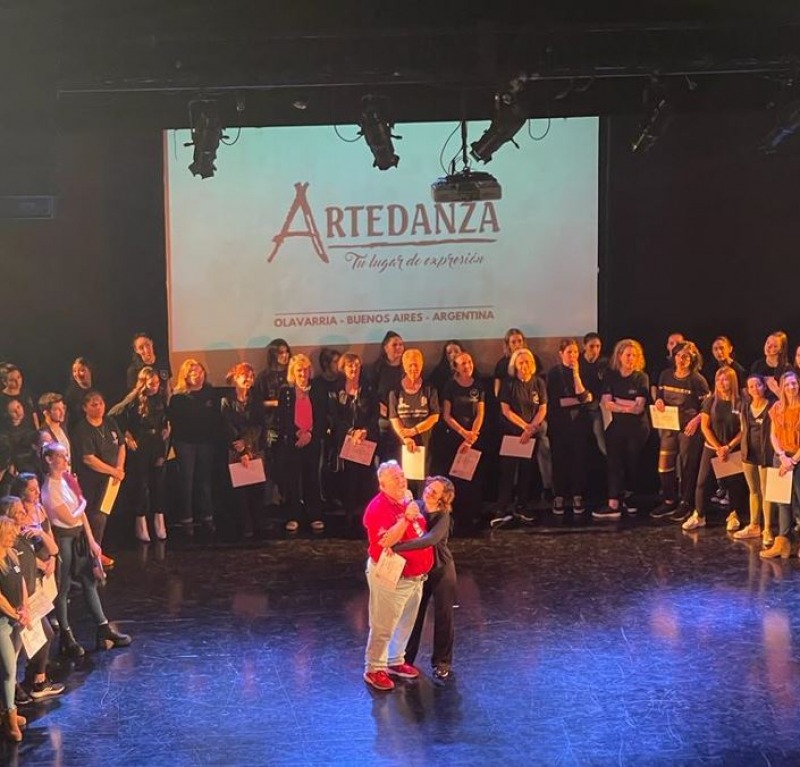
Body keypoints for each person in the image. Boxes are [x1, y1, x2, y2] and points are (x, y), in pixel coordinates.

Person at [40, 443, 131, 657]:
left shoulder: (66, 480)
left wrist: (92, 541)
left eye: (65, 456)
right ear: (49, 460)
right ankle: (66, 635)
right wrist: (82, 505)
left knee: (90, 581)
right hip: (63, 541)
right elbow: (71, 516)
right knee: (62, 590)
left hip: (79, 536)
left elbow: (81, 515)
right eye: (60, 457)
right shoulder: (49, 489)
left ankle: (103, 627)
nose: (65, 460)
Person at [362, 461, 433, 691]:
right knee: (384, 624)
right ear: (382, 485)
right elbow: (385, 542)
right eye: (395, 478)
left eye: (402, 475)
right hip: (392, 577)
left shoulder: (406, 500)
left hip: (415, 577)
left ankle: (395, 661)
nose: (402, 480)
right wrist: (406, 518)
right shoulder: (377, 508)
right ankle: (374, 668)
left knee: (405, 623)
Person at [393, 476, 456, 681]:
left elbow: (429, 540)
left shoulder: (443, 516)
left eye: (434, 491)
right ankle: (405, 660)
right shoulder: (417, 506)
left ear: (442, 499)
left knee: (443, 616)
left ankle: (442, 662)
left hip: (440, 570)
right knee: (413, 615)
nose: (429, 492)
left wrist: (397, 548)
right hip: (421, 570)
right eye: (429, 487)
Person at [6, 481, 64, 700]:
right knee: (16, 648)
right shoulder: (8, 540)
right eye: (19, 513)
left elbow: (52, 551)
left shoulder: (23, 534)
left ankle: (35, 681)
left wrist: (40, 533)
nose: (23, 515)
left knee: (44, 636)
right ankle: (17, 689)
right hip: (17, 602)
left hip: (31, 595)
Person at [682, 367, 748, 531]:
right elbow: (705, 427)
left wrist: (729, 446)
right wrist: (718, 447)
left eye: (725, 379)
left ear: (732, 381)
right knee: (702, 483)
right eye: (719, 379)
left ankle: (733, 515)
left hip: (732, 449)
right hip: (712, 447)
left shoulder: (741, 402)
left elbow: (743, 429)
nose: (722, 383)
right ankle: (700, 515)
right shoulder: (710, 401)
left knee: (734, 485)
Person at [650, 341, 710, 521]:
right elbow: (660, 396)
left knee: (687, 466)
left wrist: (697, 420)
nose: (681, 359)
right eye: (678, 355)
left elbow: (707, 406)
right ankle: (669, 500)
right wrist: (658, 401)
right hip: (669, 427)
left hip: (688, 429)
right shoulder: (665, 375)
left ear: (692, 359)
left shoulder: (697, 380)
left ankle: (685, 502)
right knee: (664, 465)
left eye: (686, 357)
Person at [110, 367, 169, 542]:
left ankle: (159, 520)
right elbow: (113, 414)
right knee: (141, 486)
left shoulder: (161, 397)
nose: (155, 387)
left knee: (158, 484)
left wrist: (165, 427)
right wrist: (126, 435)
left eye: (157, 383)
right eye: (151, 384)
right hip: (140, 446)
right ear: (144, 383)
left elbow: (165, 416)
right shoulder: (134, 399)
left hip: (157, 444)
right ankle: (140, 523)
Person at [595, 339, 650, 520]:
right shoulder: (611, 375)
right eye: (627, 355)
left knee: (631, 463)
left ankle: (629, 499)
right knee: (614, 463)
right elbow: (606, 403)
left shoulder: (641, 377)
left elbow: (639, 407)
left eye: (634, 355)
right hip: (615, 426)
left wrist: (618, 402)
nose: (631, 359)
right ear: (619, 356)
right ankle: (613, 504)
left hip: (637, 429)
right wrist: (626, 406)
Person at [494, 348, 548, 525]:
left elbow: (542, 408)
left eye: (528, 362)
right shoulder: (509, 384)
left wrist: (531, 428)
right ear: (515, 365)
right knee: (508, 473)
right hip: (512, 433)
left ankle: (522, 507)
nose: (525, 365)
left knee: (527, 472)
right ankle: (502, 509)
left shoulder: (538, 382)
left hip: (531, 434)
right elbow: (505, 410)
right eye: (521, 362)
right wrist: (524, 426)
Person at [71, 390, 126, 563]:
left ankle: (97, 550)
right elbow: (88, 458)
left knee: (103, 516)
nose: (99, 407)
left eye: (101, 403)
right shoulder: (82, 429)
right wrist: (113, 470)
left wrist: (119, 467)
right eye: (94, 404)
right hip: (92, 480)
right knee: (95, 516)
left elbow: (121, 445)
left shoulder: (109, 422)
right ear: (85, 408)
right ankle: (92, 554)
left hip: (111, 479)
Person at [276, 354, 326, 532]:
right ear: (293, 372)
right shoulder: (286, 392)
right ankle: (293, 516)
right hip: (293, 442)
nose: (303, 373)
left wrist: (310, 434)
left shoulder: (318, 390)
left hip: (312, 441)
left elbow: (322, 417)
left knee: (312, 479)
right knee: (293, 480)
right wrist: (296, 433)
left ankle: (314, 516)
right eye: (299, 370)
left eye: (305, 370)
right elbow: (281, 418)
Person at [328, 353, 379, 526]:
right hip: (346, 441)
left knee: (366, 479)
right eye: (350, 366)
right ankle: (349, 516)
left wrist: (364, 431)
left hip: (366, 439)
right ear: (343, 368)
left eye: (357, 365)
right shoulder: (336, 390)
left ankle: (368, 516)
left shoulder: (368, 388)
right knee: (348, 479)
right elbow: (334, 417)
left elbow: (374, 414)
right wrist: (351, 432)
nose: (354, 369)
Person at [168, 359, 219, 530]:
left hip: (206, 442)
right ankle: (187, 519)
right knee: (186, 481)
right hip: (185, 443)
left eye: (200, 371)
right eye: (192, 372)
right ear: (185, 375)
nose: (197, 375)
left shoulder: (211, 393)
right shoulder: (178, 397)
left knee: (204, 481)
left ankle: (207, 516)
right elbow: (174, 422)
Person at [546, 339, 593, 515]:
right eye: (569, 352)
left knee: (579, 459)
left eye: (575, 352)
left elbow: (587, 396)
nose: (573, 356)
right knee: (559, 459)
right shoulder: (554, 373)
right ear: (561, 354)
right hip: (559, 422)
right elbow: (557, 401)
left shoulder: (583, 370)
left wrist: (576, 375)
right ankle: (559, 496)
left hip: (580, 423)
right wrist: (580, 400)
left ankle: (577, 495)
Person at [220, 362, 265, 539]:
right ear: (235, 378)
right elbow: (226, 425)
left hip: (255, 448)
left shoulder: (256, 399)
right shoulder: (227, 400)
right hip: (234, 448)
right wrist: (239, 447)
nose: (248, 379)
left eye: (251, 376)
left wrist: (247, 444)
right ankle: (244, 524)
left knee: (257, 489)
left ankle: (258, 523)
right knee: (240, 492)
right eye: (244, 375)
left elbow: (259, 424)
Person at [441, 352, 485, 523]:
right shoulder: (450, 386)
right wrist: (463, 433)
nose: (467, 366)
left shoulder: (479, 385)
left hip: (473, 438)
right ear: (456, 367)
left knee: (474, 477)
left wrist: (471, 437)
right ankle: (456, 513)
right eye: (463, 364)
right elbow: (446, 415)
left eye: (469, 362)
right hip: (455, 438)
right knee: (457, 477)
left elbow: (480, 413)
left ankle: (474, 513)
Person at [761, 371, 800, 559]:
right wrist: (782, 456)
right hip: (782, 457)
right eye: (787, 385)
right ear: (782, 388)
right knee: (782, 501)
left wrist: (792, 461)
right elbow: (773, 435)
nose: (791, 388)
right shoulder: (777, 407)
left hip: (797, 458)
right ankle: (783, 542)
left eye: (794, 384)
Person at [389, 349, 440, 484]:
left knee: (424, 479)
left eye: (416, 364)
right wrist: (405, 437)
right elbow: (394, 418)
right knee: (403, 480)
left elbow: (435, 416)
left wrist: (414, 431)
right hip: (402, 441)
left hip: (425, 440)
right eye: (410, 364)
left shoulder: (429, 388)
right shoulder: (395, 390)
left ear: (422, 365)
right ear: (404, 366)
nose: (413, 368)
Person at [735, 374, 774, 545]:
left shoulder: (772, 406)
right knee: (753, 490)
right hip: (749, 453)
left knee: (767, 491)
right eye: (751, 387)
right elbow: (743, 429)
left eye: (758, 385)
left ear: (764, 387)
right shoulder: (745, 406)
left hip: (766, 453)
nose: (755, 389)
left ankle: (767, 528)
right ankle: (754, 525)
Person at [0, 509, 28, 742]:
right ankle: (11, 719)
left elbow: (22, 585)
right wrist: (13, 613)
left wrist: (25, 608)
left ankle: (5, 708)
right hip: (2, 623)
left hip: (16, 619)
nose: (13, 537)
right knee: (9, 671)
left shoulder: (12, 555)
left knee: (11, 667)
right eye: (8, 533)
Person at [368, 331, 405, 463]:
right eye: (395, 345)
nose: (399, 348)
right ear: (385, 348)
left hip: (405, 421)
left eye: (401, 344)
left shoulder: (408, 368)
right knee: (385, 461)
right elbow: (370, 393)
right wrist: (380, 407)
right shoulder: (377, 368)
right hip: (384, 421)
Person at [580, 332, 607, 457]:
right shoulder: (578, 362)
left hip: (598, 406)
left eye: (598, 346)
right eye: (591, 346)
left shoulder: (604, 363)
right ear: (584, 346)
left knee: (601, 438)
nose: (595, 350)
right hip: (580, 405)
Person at [0, 399, 40, 476]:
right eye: (13, 411)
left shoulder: (30, 423)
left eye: (18, 407)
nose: (18, 412)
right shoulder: (7, 433)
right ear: (8, 414)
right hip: (20, 468)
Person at [750, 331, 790, 399]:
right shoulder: (757, 365)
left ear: (781, 350)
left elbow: (791, 398)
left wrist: (776, 389)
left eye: (774, 346)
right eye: (768, 342)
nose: (768, 347)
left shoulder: (786, 369)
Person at [38, 392, 71, 467]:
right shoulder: (43, 434)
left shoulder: (63, 426)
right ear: (46, 413)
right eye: (57, 409)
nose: (62, 412)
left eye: (63, 408)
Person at [0, 364, 37, 430]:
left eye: (19, 377)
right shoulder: (2, 399)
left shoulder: (26, 394)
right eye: (12, 380)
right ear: (4, 382)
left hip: (29, 435)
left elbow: (33, 414)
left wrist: (38, 432)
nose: (18, 382)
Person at [64, 357, 96, 431]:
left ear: (90, 370)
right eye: (74, 371)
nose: (77, 374)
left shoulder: (97, 389)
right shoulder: (71, 394)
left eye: (81, 370)